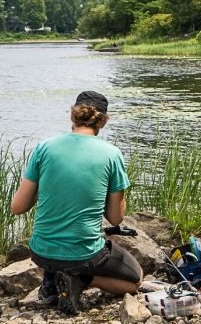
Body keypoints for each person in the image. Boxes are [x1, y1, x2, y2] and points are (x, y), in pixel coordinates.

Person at [10, 91, 142, 315]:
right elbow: (116, 218)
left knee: (58, 256)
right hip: (84, 254)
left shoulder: (44, 148)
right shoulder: (112, 154)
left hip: (41, 252)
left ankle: (54, 279)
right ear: (103, 120)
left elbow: (18, 207)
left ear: (73, 115)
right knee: (135, 281)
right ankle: (83, 280)